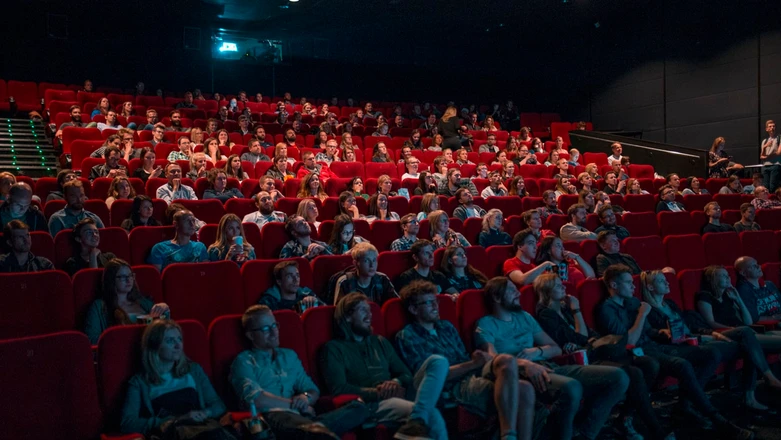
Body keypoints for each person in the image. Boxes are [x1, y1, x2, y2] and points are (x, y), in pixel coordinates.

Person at [596, 265, 755, 440]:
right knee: (682, 364)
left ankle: (685, 406)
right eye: (628, 283)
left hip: (655, 345)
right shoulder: (607, 309)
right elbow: (630, 341)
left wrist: (663, 332)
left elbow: (648, 332)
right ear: (614, 285)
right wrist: (642, 314)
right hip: (636, 353)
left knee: (709, 354)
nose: (634, 287)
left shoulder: (633, 302)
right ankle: (717, 419)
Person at [476, 276, 630, 440]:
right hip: (521, 374)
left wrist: (536, 352)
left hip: (548, 365)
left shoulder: (525, 317)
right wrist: (523, 363)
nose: (518, 294)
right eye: (512, 290)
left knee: (619, 377)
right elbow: (493, 360)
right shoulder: (486, 324)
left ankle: (584, 434)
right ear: (496, 297)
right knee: (572, 387)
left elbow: (555, 349)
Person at [534, 273, 674, 440]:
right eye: (558, 286)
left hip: (595, 350)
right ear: (547, 291)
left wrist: (589, 336)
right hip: (584, 358)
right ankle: (654, 430)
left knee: (648, 364)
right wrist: (577, 310)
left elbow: (587, 333)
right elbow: (578, 337)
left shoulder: (564, 309)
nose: (564, 287)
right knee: (634, 373)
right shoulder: (546, 314)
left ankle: (625, 418)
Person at [395, 280, 537, 440]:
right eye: (429, 303)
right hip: (452, 385)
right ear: (413, 309)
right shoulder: (408, 335)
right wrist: (473, 364)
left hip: (472, 373)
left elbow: (463, 357)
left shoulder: (446, 327)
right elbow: (430, 378)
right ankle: (508, 435)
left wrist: (477, 361)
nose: (436, 306)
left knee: (509, 364)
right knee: (523, 389)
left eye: (436, 301)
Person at [642, 269, 781, 412]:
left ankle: (754, 393)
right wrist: (708, 335)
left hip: (700, 337)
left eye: (666, 279)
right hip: (687, 345)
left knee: (747, 340)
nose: (666, 282)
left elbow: (692, 326)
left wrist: (712, 334)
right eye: (661, 280)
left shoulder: (670, 304)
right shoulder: (648, 310)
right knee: (747, 341)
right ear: (650, 287)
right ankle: (757, 389)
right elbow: (659, 336)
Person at [320, 292, 449, 440]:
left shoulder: (380, 342)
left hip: (401, 392)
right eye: (363, 310)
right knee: (432, 415)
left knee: (438, 361)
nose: (369, 316)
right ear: (348, 317)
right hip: (374, 403)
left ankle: (415, 421)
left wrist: (395, 382)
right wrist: (378, 392)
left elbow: (406, 375)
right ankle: (416, 420)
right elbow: (339, 389)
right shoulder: (333, 348)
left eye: (369, 311)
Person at [229, 305, 366, 439]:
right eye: (265, 328)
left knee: (358, 408)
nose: (273, 332)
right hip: (273, 418)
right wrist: (294, 404)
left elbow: (312, 389)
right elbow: (255, 399)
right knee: (311, 429)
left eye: (274, 325)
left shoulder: (289, 356)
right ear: (251, 335)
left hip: (302, 417)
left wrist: (305, 398)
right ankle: (317, 431)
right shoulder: (244, 361)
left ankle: (316, 430)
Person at [119, 321, 232, 438]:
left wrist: (205, 413)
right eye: (170, 341)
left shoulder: (193, 370)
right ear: (154, 346)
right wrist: (174, 420)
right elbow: (127, 423)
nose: (178, 346)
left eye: (179, 339)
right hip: (174, 433)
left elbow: (218, 405)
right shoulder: (139, 382)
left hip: (204, 429)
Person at [84, 259, 169, 344]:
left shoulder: (142, 301)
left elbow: (163, 326)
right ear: (111, 280)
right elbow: (91, 339)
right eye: (123, 277)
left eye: (130, 275)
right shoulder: (99, 306)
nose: (129, 280)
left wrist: (164, 309)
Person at [332, 242, 397, 305]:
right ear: (355, 263)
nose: (372, 265)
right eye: (366, 261)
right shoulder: (345, 282)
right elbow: (340, 312)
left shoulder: (382, 279)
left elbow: (395, 304)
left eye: (374, 260)